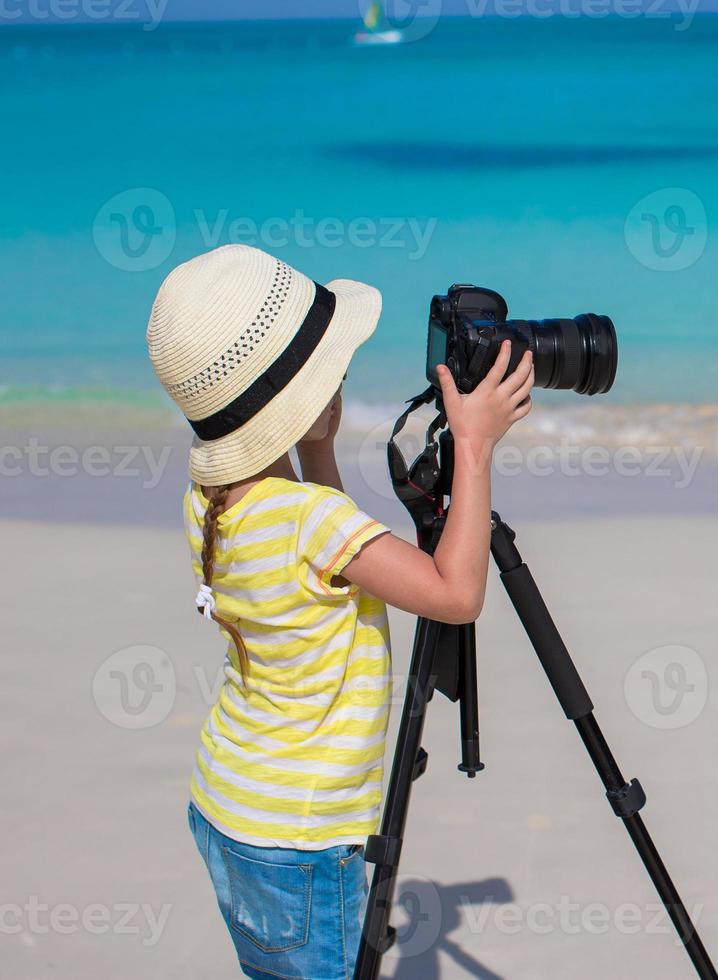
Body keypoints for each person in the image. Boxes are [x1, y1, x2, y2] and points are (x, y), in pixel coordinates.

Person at [145, 243, 532, 979]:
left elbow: (324, 540)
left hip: (228, 808)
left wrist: (316, 442)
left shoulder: (216, 503)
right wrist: (475, 449)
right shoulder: (311, 524)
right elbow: (455, 592)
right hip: (300, 835)